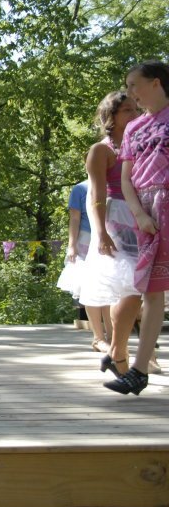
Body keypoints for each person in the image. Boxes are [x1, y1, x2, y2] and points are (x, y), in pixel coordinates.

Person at [106, 60, 169, 395]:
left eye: (134, 85)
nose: (130, 92)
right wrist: (139, 215)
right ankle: (139, 372)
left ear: (155, 83)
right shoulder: (134, 128)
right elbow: (126, 179)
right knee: (152, 290)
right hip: (147, 210)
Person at [79, 91, 143, 381]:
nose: (134, 115)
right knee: (129, 285)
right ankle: (119, 353)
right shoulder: (101, 151)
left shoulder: (140, 146)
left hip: (141, 215)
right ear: (112, 117)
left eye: (136, 109)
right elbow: (96, 195)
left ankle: (118, 351)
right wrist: (102, 232)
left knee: (139, 289)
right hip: (116, 219)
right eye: (127, 110)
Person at [56, 179, 111, 351]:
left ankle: (112, 336)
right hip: (86, 241)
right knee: (90, 287)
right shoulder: (80, 188)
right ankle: (98, 337)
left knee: (109, 287)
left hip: (110, 238)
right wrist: (72, 245)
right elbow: (74, 218)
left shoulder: (114, 184)